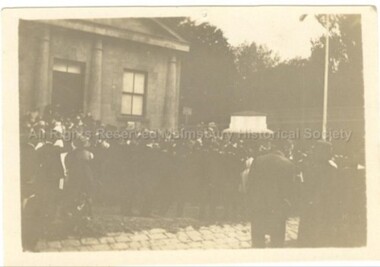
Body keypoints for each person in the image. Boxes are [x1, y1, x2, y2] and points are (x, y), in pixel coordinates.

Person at [247, 139, 296, 248]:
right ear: (286, 148)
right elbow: (290, 190)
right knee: (277, 241)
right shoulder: (288, 164)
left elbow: (250, 184)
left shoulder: (258, 160)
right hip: (278, 207)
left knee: (258, 241)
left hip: (259, 206)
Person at [297, 140, 340, 247]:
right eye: (329, 151)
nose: (331, 153)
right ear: (322, 152)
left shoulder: (309, 165)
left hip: (315, 203)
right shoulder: (327, 167)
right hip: (318, 203)